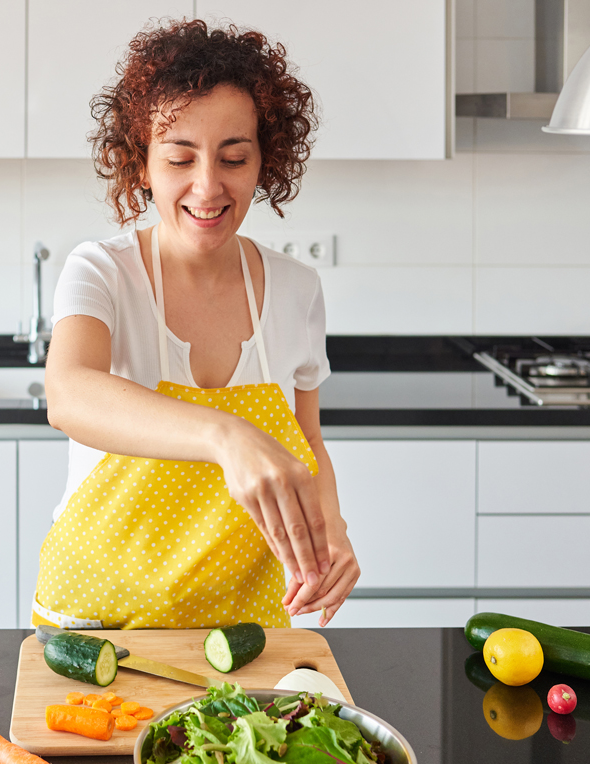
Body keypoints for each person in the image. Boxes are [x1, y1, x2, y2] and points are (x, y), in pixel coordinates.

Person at [32, 20, 360, 631]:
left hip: (246, 624)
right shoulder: (101, 272)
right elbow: (68, 392)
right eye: (180, 157)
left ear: (265, 161)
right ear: (142, 165)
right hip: (99, 618)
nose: (208, 186)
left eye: (234, 157)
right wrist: (226, 436)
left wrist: (330, 525)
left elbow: (307, 439)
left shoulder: (297, 289)